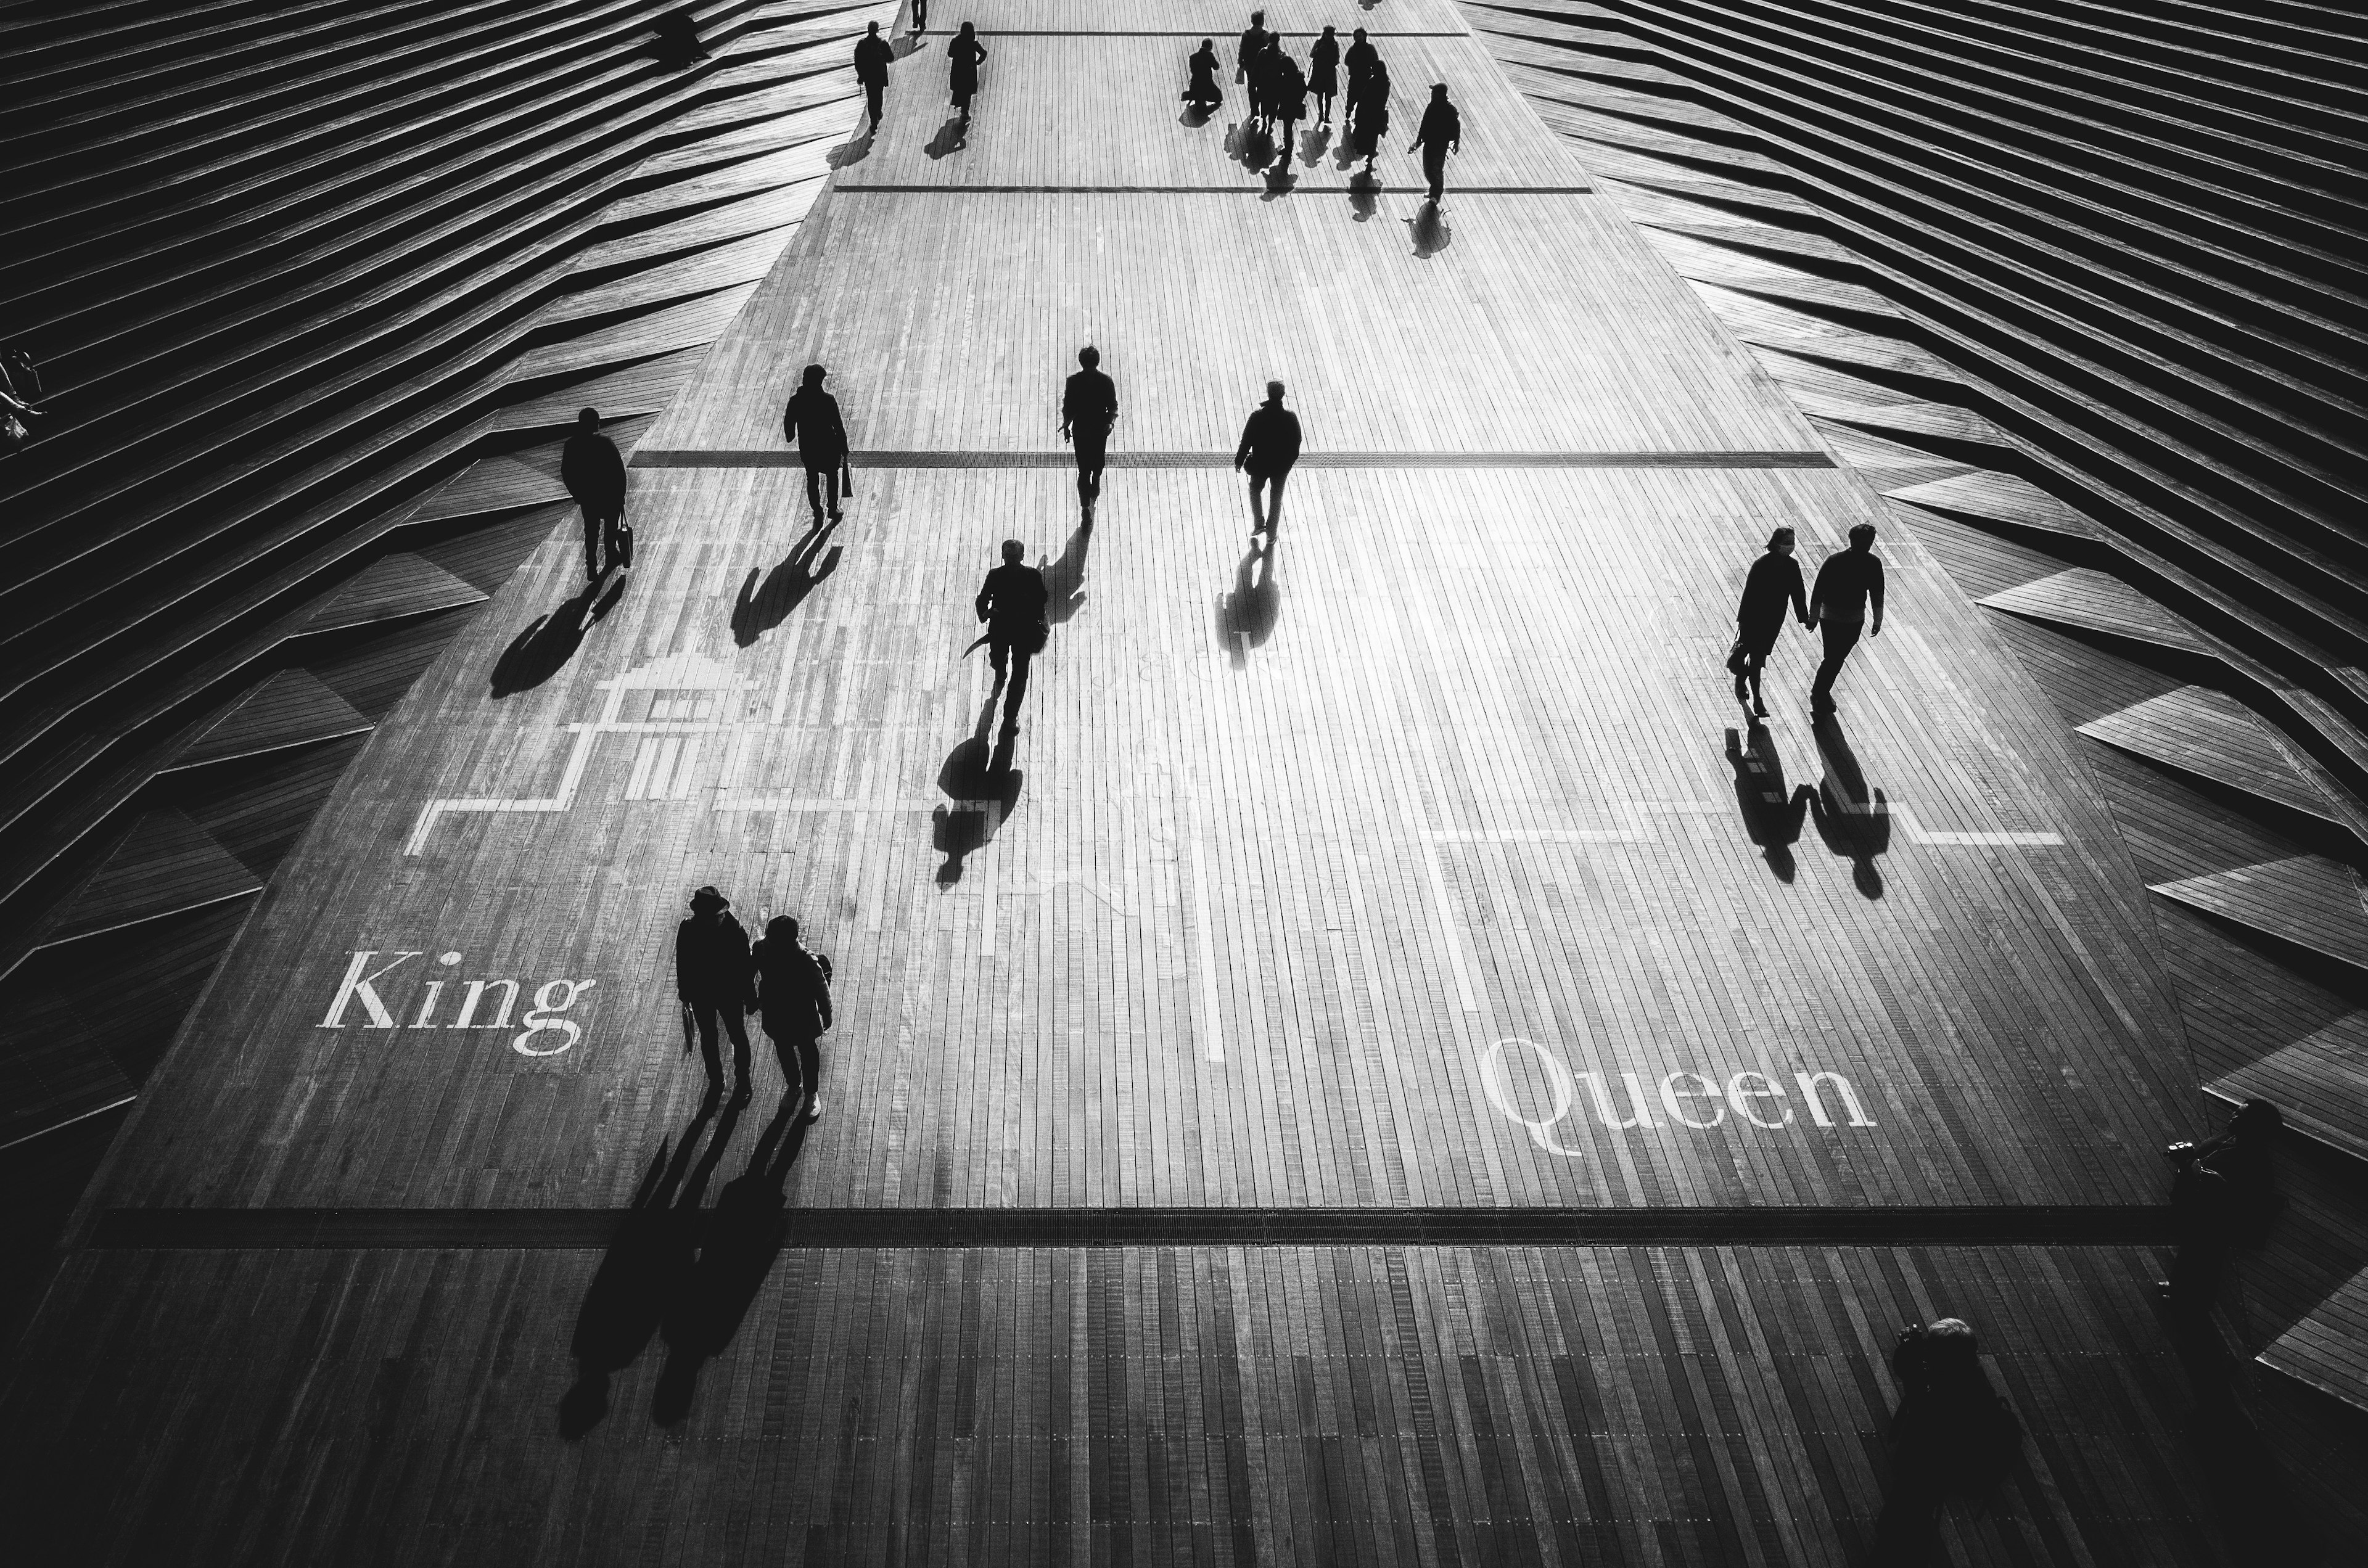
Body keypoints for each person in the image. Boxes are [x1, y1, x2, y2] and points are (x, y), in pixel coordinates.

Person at [1875, 1318, 2021, 1561]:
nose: (1926, 1351)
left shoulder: (1955, 1391)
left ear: (1945, 1355)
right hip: (1941, 1464)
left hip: (1931, 1466)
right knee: (1912, 1517)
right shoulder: (1963, 1373)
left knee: (1902, 1520)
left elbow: (1923, 1411)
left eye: (1931, 1348)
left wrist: (1912, 1359)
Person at [2158, 1098, 2284, 1318]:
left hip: (2218, 1220)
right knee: (2190, 1250)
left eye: (2240, 1115)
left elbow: (2246, 1202)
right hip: (2202, 1210)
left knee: (2207, 1260)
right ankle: (2178, 1287)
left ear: (2253, 1126)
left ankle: (2194, 1305)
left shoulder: (2257, 1164)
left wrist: (2215, 1182)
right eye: (2236, 1111)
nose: (2233, 1116)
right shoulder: (2232, 1139)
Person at [676, 886, 757, 1099]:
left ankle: (743, 1079)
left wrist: (750, 997)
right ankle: (716, 1080)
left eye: (719, 915)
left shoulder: (736, 932)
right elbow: (683, 963)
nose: (718, 920)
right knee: (709, 1038)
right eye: (712, 917)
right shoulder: (688, 929)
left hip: (729, 993)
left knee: (737, 1035)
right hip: (702, 994)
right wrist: (685, 993)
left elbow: (745, 969)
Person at [752, 916, 833, 1123]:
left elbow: (820, 988)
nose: (769, 943)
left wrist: (826, 1013)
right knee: (784, 1049)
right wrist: (751, 997)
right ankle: (794, 1086)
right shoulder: (762, 947)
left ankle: (811, 1093)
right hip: (775, 1010)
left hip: (801, 1013)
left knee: (808, 1051)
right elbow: (750, 970)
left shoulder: (806, 959)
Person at [1729, 527, 1810, 716]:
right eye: (1788, 542)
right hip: (1754, 619)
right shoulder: (1761, 565)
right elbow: (1749, 594)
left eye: (1793, 541)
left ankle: (1742, 683)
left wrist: (1804, 617)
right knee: (1757, 659)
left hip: (1773, 621)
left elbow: (1798, 593)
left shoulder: (1792, 566)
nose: (1791, 545)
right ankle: (1757, 700)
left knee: (1757, 657)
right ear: (1777, 543)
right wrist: (1743, 619)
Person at [1807, 522, 1885, 713]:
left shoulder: (1834, 561)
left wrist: (1814, 617)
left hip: (1832, 617)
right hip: (1852, 619)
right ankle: (1820, 693)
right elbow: (1877, 594)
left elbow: (1819, 591)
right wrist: (1877, 620)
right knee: (1836, 657)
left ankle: (1821, 693)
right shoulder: (1873, 563)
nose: (1866, 545)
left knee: (1833, 657)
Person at [975, 540, 1050, 734]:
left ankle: (1010, 717)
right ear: (1003, 556)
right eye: (1008, 557)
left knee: (1020, 676)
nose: (1010, 560)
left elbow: (1041, 601)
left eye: (1014, 557)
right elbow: (982, 600)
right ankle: (1000, 671)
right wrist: (986, 613)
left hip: (1021, 633)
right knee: (999, 660)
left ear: (1022, 557)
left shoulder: (1031, 576)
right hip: (1003, 630)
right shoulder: (997, 576)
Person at [561, 408, 628, 584]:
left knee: (591, 532)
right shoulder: (605, 442)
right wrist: (621, 494)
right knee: (611, 527)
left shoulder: (571, 445)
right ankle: (611, 554)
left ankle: (591, 565)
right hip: (608, 495)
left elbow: (567, 472)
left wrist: (577, 494)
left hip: (588, 497)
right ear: (596, 423)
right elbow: (618, 470)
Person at [781, 363, 850, 526]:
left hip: (808, 446)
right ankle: (832, 508)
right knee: (832, 476)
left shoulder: (796, 401)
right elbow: (837, 425)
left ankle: (817, 510)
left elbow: (789, 421)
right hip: (829, 447)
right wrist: (844, 446)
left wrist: (790, 436)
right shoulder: (828, 400)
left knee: (812, 478)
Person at [1234, 380, 1301, 536]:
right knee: (1276, 498)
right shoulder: (1290, 417)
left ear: (1268, 393)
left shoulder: (1257, 416)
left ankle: (1259, 524)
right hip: (1281, 467)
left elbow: (1246, 442)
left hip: (1260, 464)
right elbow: (1296, 443)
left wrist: (1239, 462)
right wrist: (1289, 463)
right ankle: (1272, 534)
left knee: (1255, 490)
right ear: (1283, 395)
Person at [1061, 345, 1118, 519]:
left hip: (1090, 430)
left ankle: (1096, 481)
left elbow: (1068, 407)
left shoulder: (1075, 381)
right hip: (1090, 431)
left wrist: (1110, 423)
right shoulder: (1105, 381)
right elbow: (1113, 407)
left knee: (1095, 465)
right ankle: (1085, 507)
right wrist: (1110, 423)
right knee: (1085, 470)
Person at [1408, 83, 1461, 202]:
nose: (1432, 95)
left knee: (1436, 169)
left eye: (1434, 93)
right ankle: (1434, 190)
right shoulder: (1431, 106)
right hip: (1429, 142)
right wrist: (1419, 140)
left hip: (1441, 145)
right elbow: (1424, 123)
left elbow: (1456, 127)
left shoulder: (1450, 109)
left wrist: (1456, 142)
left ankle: (1436, 195)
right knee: (1427, 169)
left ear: (1440, 94)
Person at [1352, 59, 1391, 173]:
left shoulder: (1372, 81)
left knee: (1366, 135)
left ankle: (1370, 155)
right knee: (1374, 137)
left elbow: (1364, 99)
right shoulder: (1386, 82)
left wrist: (1359, 114)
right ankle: (1370, 157)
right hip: (1378, 114)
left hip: (1367, 114)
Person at [854, 21, 894, 129]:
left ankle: (873, 121)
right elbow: (891, 58)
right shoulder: (883, 44)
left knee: (871, 98)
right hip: (880, 75)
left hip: (868, 76)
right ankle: (878, 112)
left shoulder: (862, 44)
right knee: (879, 95)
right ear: (878, 30)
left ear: (868, 29)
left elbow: (857, 61)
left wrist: (861, 75)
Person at [1270, 51, 1307, 164]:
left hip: (1286, 106)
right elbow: (1304, 91)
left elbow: (1278, 92)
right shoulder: (1299, 77)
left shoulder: (1283, 79)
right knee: (1288, 126)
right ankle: (1288, 148)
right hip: (1295, 105)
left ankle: (1288, 148)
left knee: (1287, 127)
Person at [948, 22, 987, 120]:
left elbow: (950, 54)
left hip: (958, 70)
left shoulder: (955, 41)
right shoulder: (973, 43)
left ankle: (961, 107)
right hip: (969, 71)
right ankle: (965, 112)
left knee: (959, 88)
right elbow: (984, 53)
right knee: (967, 92)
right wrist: (978, 62)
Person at [1342, 28, 1377, 133]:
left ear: (1364, 36)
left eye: (1360, 36)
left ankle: (1356, 116)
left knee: (1363, 99)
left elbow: (1375, 60)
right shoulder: (1354, 49)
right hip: (1356, 77)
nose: (1358, 39)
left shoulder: (1369, 49)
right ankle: (1349, 110)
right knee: (1352, 97)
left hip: (1365, 78)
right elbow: (1347, 61)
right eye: (1356, 37)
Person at [1309, 26, 1340, 125]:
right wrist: (1319, 50)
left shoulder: (1335, 44)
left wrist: (1335, 62)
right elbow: (1312, 54)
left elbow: (1337, 57)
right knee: (1320, 94)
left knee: (1328, 96)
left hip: (1329, 72)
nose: (1330, 37)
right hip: (1320, 71)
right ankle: (1321, 114)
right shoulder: (1319, 43)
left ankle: (1326, 116)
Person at [1185, 38, 1223, 112]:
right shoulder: (1209, 56)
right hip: (1207, 83)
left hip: (1195, 83)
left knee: (1200, 104)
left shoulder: (1192, 57)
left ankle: (1194, 95)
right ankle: (1201, 97)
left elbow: (1192, 70)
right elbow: (1216, 67)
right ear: (1210, 47)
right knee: (1219, 98)